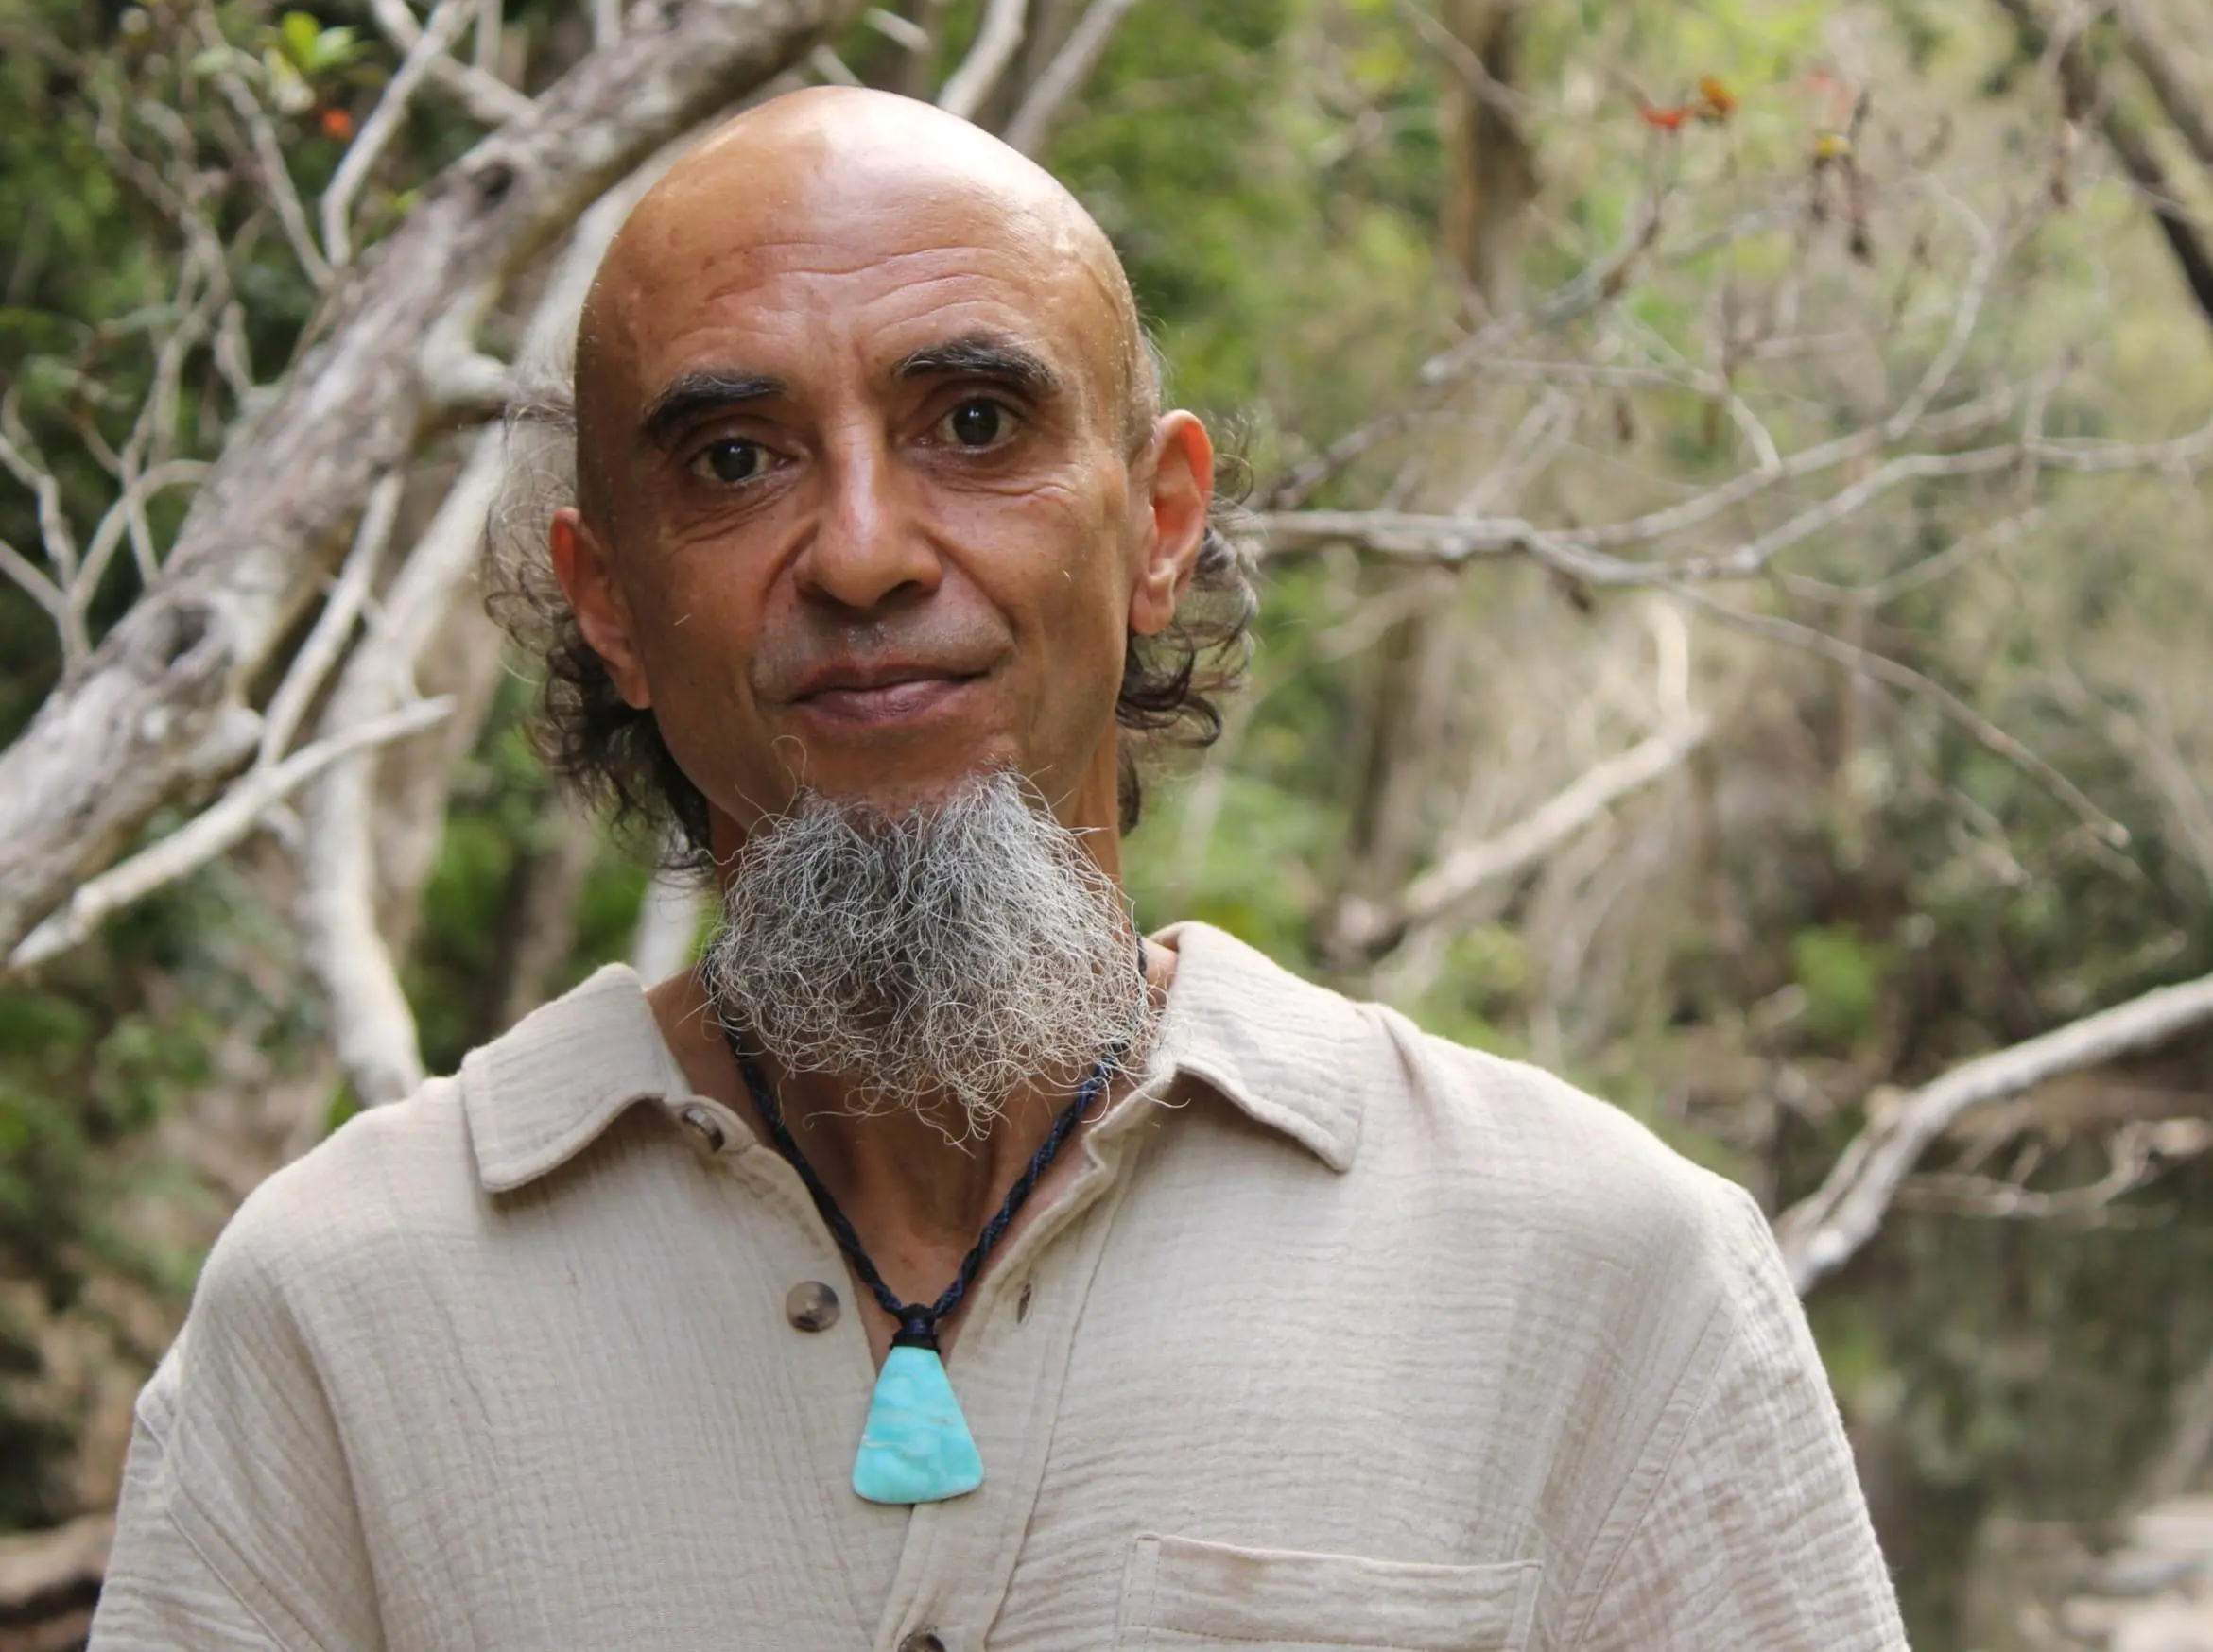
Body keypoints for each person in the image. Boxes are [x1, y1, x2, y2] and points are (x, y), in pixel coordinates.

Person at [91, 87, 1906, 1651]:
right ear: (610, 602)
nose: (866, 552)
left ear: (1162, 528)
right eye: (735, 459)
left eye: (975, 425)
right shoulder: (343, 1313)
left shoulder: (1595, 1273)